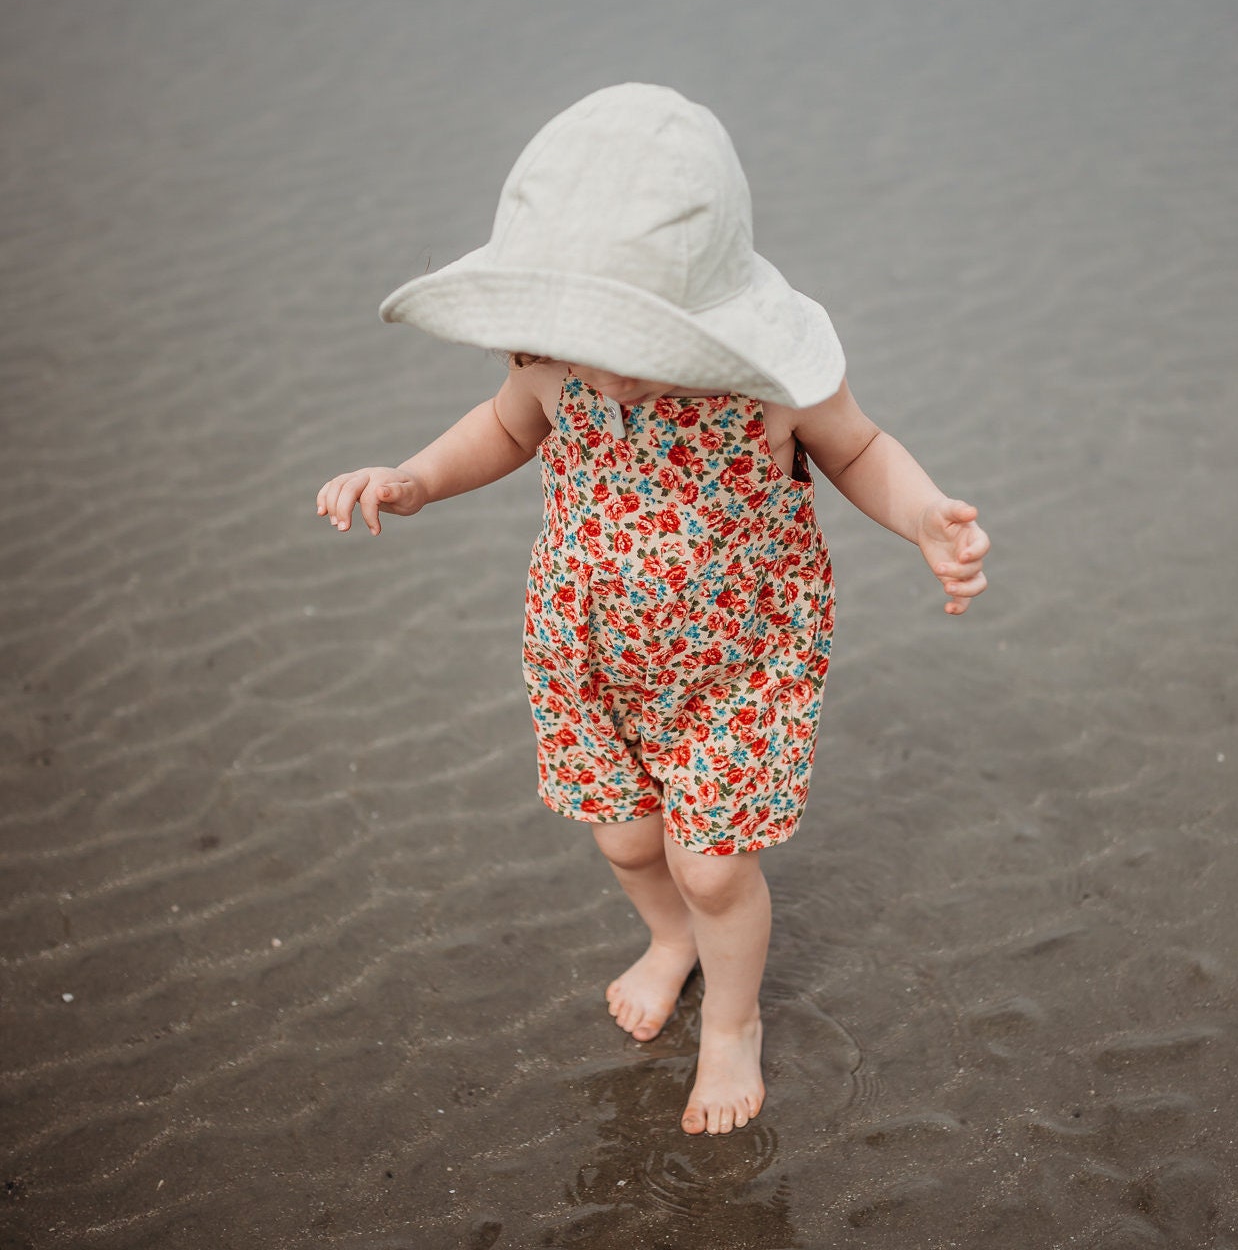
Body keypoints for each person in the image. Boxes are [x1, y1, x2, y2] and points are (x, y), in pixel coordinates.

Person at [315, 84, 989, 1137]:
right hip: (584, 647)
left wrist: (926, 522)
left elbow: (859, 450)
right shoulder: (549, 370)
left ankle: (732, 1021)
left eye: (643, 332)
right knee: (628, 842)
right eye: (593, 328)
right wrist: (411, 478)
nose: (611, 359)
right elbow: (496, 433)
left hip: (741, 656)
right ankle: (667, 937)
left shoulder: (771, 383)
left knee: (713, 862)